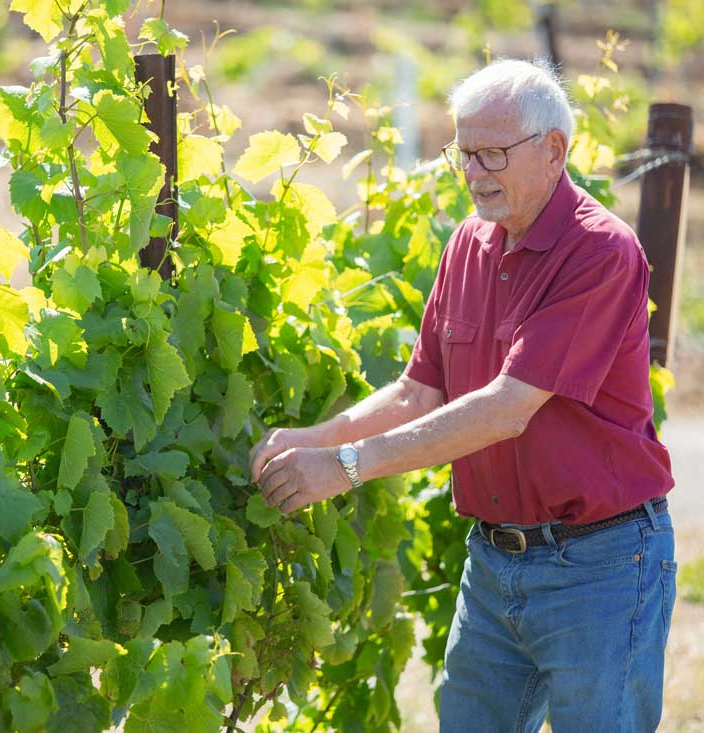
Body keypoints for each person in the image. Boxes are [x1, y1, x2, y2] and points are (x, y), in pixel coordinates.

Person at [248, 58, 676, 732]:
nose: (473, 172)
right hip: (494, 565)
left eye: (492, 154)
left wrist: (348, 465)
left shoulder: (600, 253)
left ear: (554, 150)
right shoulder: (467, 246)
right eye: (464, 152)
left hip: (598, 566)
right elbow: (419, 392)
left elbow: (507, 407)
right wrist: (313, 439)